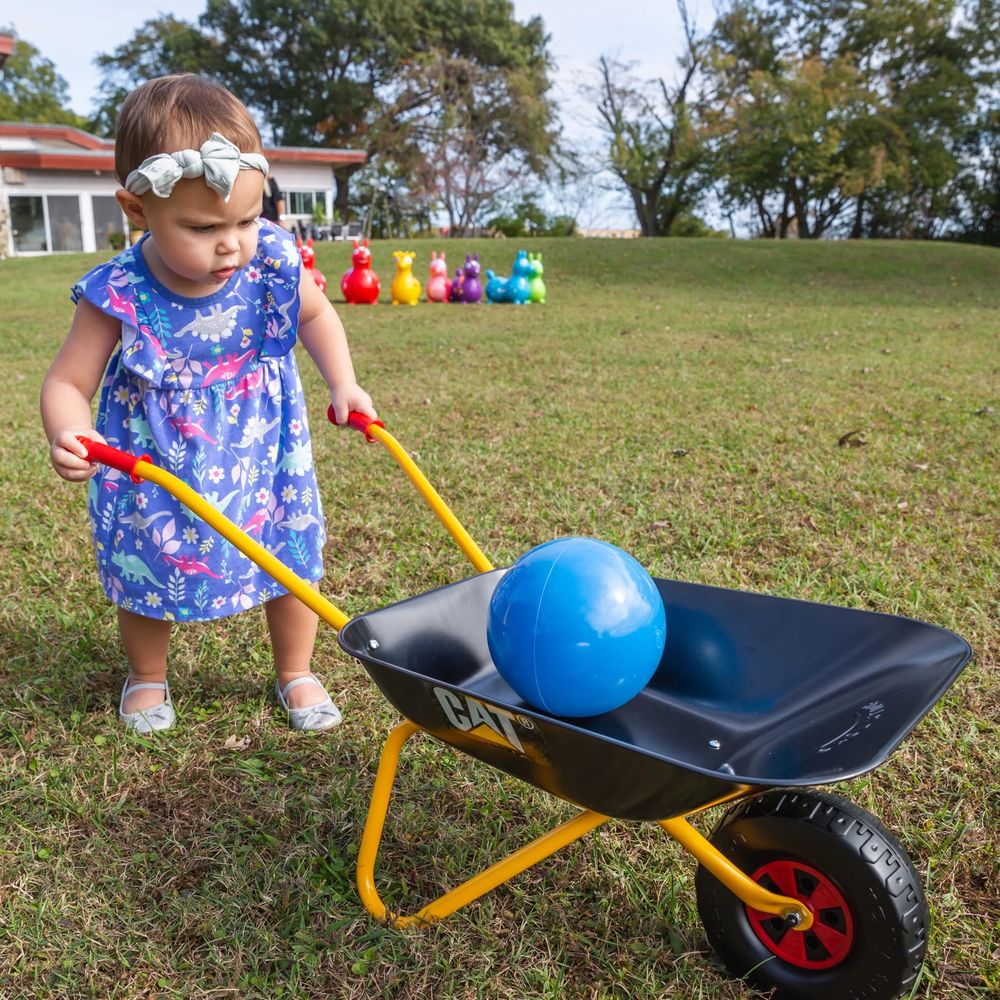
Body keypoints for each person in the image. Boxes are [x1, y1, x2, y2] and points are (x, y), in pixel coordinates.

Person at [40, 74, 376, 735]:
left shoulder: (271, 260)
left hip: (265, 453)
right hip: (154, 464)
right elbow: (66, 382)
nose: (232, 243)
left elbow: (315, 316)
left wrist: (343, 381)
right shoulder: (120, 290)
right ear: (136, 210)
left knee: (289, 558)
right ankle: (148, 675)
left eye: (247, 219)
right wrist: (70, 430)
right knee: (146, 568)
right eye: (202, 226)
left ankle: (295, 670)